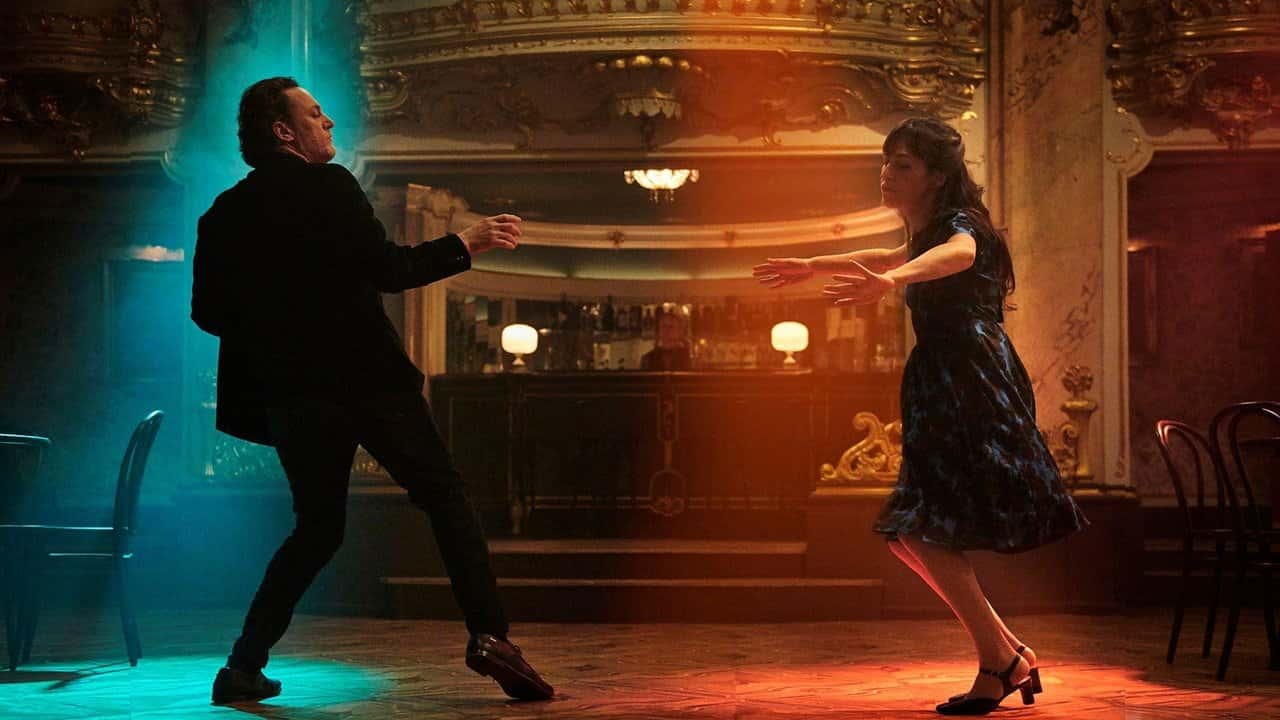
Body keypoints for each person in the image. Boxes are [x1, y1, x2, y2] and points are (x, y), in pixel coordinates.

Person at [192, 77, 553, 705]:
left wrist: (281, 329)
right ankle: (490, 637)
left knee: (317, 528)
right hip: (367, 381)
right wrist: (465, 242)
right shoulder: (329, 185)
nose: (329, 122)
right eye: (315, 114)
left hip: (293, 397)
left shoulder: (222, 213)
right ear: (284, 131)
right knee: (445, 499)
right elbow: (388, 269)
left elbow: (207, 313)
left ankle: (242, 666)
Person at [753, 116, 1087, 716]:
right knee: (907, 534)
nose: (887, 173)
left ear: (935, 177)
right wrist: (812, 264)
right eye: (886, 162)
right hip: (942, 378)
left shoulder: (961, 227)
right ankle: (1008, 653)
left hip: (971, 379)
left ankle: (1001, 659)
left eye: (902, 165)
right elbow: (886, 254)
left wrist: (890, 279)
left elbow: (959, 256)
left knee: (918, 528)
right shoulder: (928, 230)